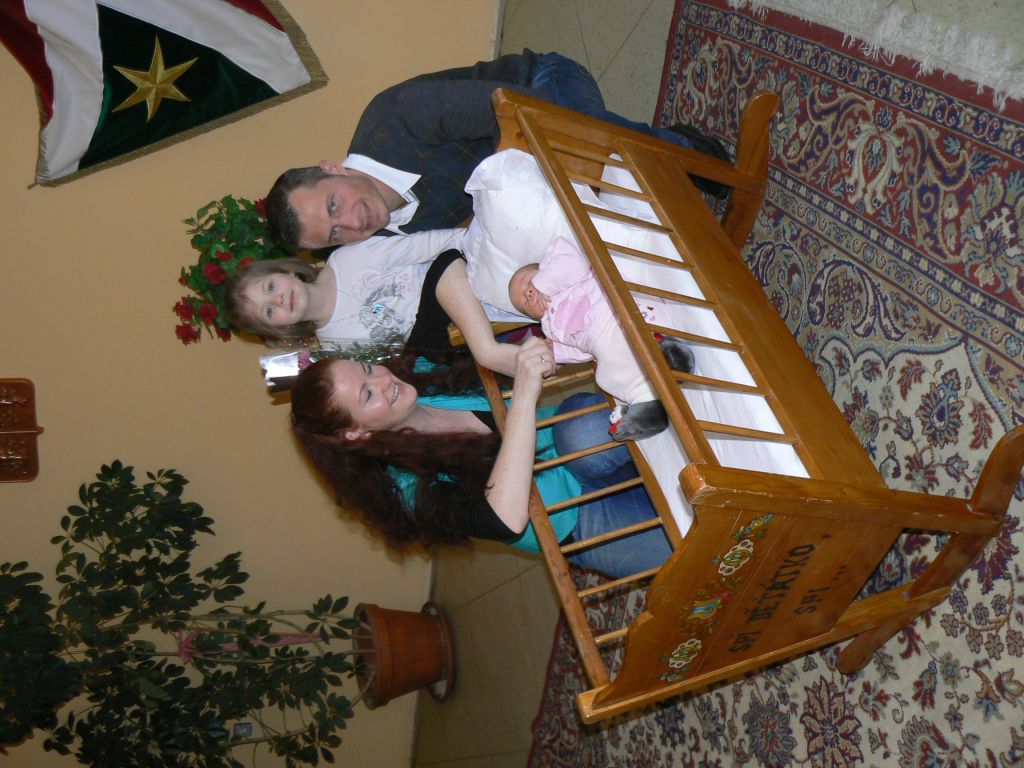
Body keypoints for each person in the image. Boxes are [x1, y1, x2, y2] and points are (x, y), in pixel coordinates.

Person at [265, 50, 729, 251]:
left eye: (334, 205)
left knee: (576, 144)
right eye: (335, 235)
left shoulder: (394, 118)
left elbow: (527, 112)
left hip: (541, 84)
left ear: (332, 168)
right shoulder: (386, 242)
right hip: (524, 171)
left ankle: (686, 150)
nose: (352, 223)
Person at [289, 337, 673, 579]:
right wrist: (524, 395)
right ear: (355, 433)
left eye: (368, 369)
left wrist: (494, 351)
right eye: (367, 395)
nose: (383, 380)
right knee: (690, 553)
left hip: (573, 441)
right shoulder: (406, 490)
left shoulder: (420, 374)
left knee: (583, 432)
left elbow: (445, 267)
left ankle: (678, 405)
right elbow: (504, 520)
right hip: (576, 520)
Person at [223, 228, 523, 372]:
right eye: (269, 311)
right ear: (279, 329)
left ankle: (496, 352)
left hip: (460, 279)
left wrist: (490, 249)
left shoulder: (349, 259)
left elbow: (436, 244)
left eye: (271, 286)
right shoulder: (337, 350)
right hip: (450, 341)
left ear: (286, 270)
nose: (278, 299)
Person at [508, 238, 695, 441]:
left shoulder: (563, 274)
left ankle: (671, 355)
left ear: (543, 269)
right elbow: (581, 353)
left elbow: (573, 260)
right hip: (603, 346)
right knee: (605, 379)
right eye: (524, 302)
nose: (528, 293)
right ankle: (648, 404)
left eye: (527, 281)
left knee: (636, 329)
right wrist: (553, 353)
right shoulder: (550, 328)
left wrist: (543, 283)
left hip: (618, 317)